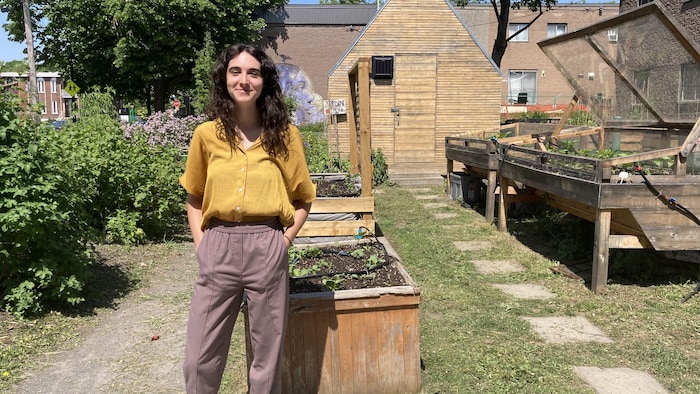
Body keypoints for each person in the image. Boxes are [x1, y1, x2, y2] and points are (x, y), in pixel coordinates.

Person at [179, 43, 316, 393]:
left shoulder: (286, 136)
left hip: (267, 245)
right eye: (235, 71)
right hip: (218, 247)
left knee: (266, 360)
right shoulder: (206, 135)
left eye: (253, 72)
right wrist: (202, 246)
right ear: (224, 78)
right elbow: (194, 196)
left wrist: (283, 242)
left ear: (264, 81)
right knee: (198, 360)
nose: (244, 80)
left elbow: (303, 198)